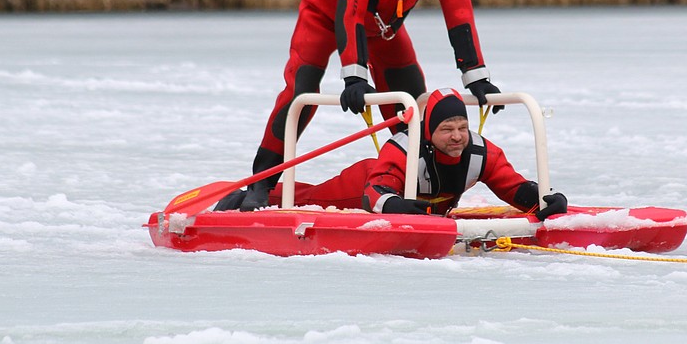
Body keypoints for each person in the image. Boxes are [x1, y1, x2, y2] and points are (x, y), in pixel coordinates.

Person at [222, 0, 502, 211]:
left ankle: (416, 182)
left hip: (383, 27)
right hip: (327, 14)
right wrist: (354, 76)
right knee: (302, 92)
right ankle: (262, 183)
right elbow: (349, 12)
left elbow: (460, 17)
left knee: (410, 102)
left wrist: (476, 76)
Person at [228, 89, 568, 220]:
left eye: (461, 127)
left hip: (420, 206)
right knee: (309, 198)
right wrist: (396, 206)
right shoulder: (405, 147)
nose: (457, 136)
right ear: (429, 132)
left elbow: (513, 187)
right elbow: (374, 192)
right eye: (447, 129)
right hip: (366, 183)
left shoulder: (481, 152)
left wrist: (543, 199)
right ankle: (248, 195)